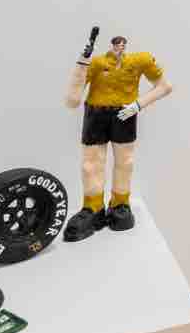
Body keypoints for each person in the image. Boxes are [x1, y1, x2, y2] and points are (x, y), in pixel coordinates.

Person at [62, 26, 173, 242]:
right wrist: (82, 61)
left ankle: (120, 203)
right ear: (111, 46)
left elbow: (164, 86)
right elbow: (71, 100)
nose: (119, 48)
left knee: (125, 161)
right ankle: (93, 207)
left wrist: (138, 105)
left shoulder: (141, 60)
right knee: (90, 164)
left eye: (122, 44)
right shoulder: (96, 63)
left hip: (125, 113)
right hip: (96, 113)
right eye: (116, 44)